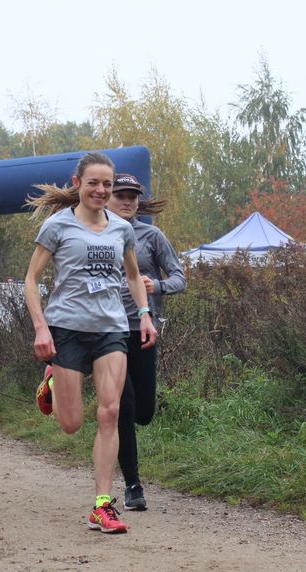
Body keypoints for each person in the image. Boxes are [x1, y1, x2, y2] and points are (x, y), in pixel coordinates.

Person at [24, 152, 157, 534]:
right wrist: (41, 328)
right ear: (77, 183)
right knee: (71, 424)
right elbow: (31, 280)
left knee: (110, 412)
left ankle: (102, 505)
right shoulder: (57, 226)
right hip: (66, 328)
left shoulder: (122, 229)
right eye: (94, 183)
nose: (101, 190)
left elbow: (132, 276)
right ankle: (51, 382)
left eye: (107, 185)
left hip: (111, 329)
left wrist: (144, 314)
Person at [105, 174, 186, 511]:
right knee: (123, 406)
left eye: (132, 196)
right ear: (108, 197)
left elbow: (180, 277)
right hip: (108, 330)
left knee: (144, 411)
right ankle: (133, 484)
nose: (127, 201)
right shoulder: (96, 233)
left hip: (143, 328)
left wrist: (158, 286)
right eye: (120, 195)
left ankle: (122, 420)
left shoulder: (152, 236)